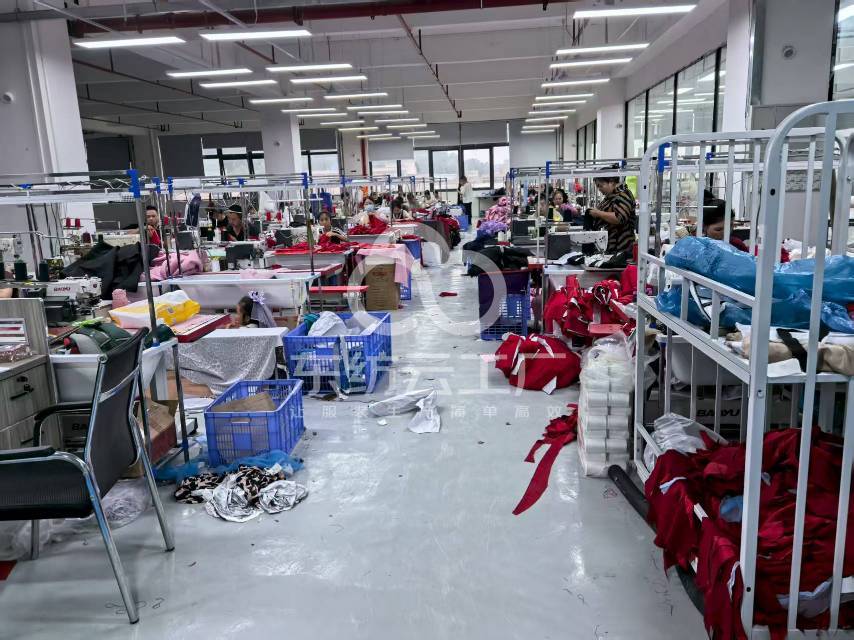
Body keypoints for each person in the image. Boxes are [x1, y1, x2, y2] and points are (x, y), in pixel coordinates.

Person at [586, 172, 637, 255]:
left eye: (600, 186)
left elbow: (619, 218)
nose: (599, 189)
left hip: (620, 247)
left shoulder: (623, 195)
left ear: (611, 182)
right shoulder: (610, 197)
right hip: (610, 246)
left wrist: (598, 213)